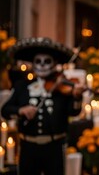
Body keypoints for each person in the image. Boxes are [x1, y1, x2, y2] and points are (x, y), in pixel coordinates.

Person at [1, 37, 85, 175]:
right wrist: (21, 110)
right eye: (38, 61)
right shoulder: (22, 86)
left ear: (54, 64)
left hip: (54, 148)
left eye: (47, 61)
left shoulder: (62, 87)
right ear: (33, 64)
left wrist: (77, 96)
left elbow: (74, 112)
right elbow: (5, 111)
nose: (42, 65)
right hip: (28, 148)